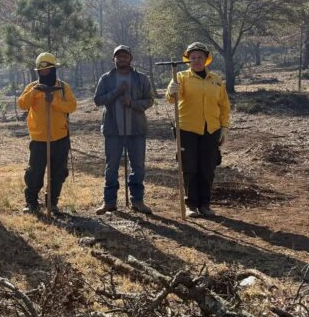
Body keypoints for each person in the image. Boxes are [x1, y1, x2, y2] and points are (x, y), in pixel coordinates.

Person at [166, 42, 231, 218]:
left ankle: (205, 204)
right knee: (189, 167)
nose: (196, 60)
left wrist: (224, 128)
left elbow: (224, 106)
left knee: (207, 168)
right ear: (188, 60)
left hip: (211, 130)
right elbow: (171, 100)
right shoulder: (180, 77)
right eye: (192, 57)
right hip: (187, 129)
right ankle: (191, 205)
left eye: (199, 57)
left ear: (206, 59)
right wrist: (172, 91)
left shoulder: (216, 80)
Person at [93, 45, 155, 215]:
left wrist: (132, 103)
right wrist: (116, 92)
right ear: (114, 59)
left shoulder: (141, 79)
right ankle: (109, 202)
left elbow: (150, 100)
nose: (122, 59)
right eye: (118, 56)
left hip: (136, 130)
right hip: (113, 131)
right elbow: (97, 100)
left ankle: (137, 201)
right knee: (111, 167)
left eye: (125, 56)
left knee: (138, 167)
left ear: (130, 58)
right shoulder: (106, 79)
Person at [17, 52, 77, 214]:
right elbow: (22, 104)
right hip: (39, 139)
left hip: (60, 137)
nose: (44, 73)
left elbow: (72, 106)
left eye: (47, 70)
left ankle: (52, 201)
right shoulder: (32, 87)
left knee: (58, 173)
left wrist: (55, 101)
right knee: (34, 172)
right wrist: (35, 93)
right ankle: (31, 202)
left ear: (53, 69)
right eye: (41, 71)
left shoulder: (63, 88)